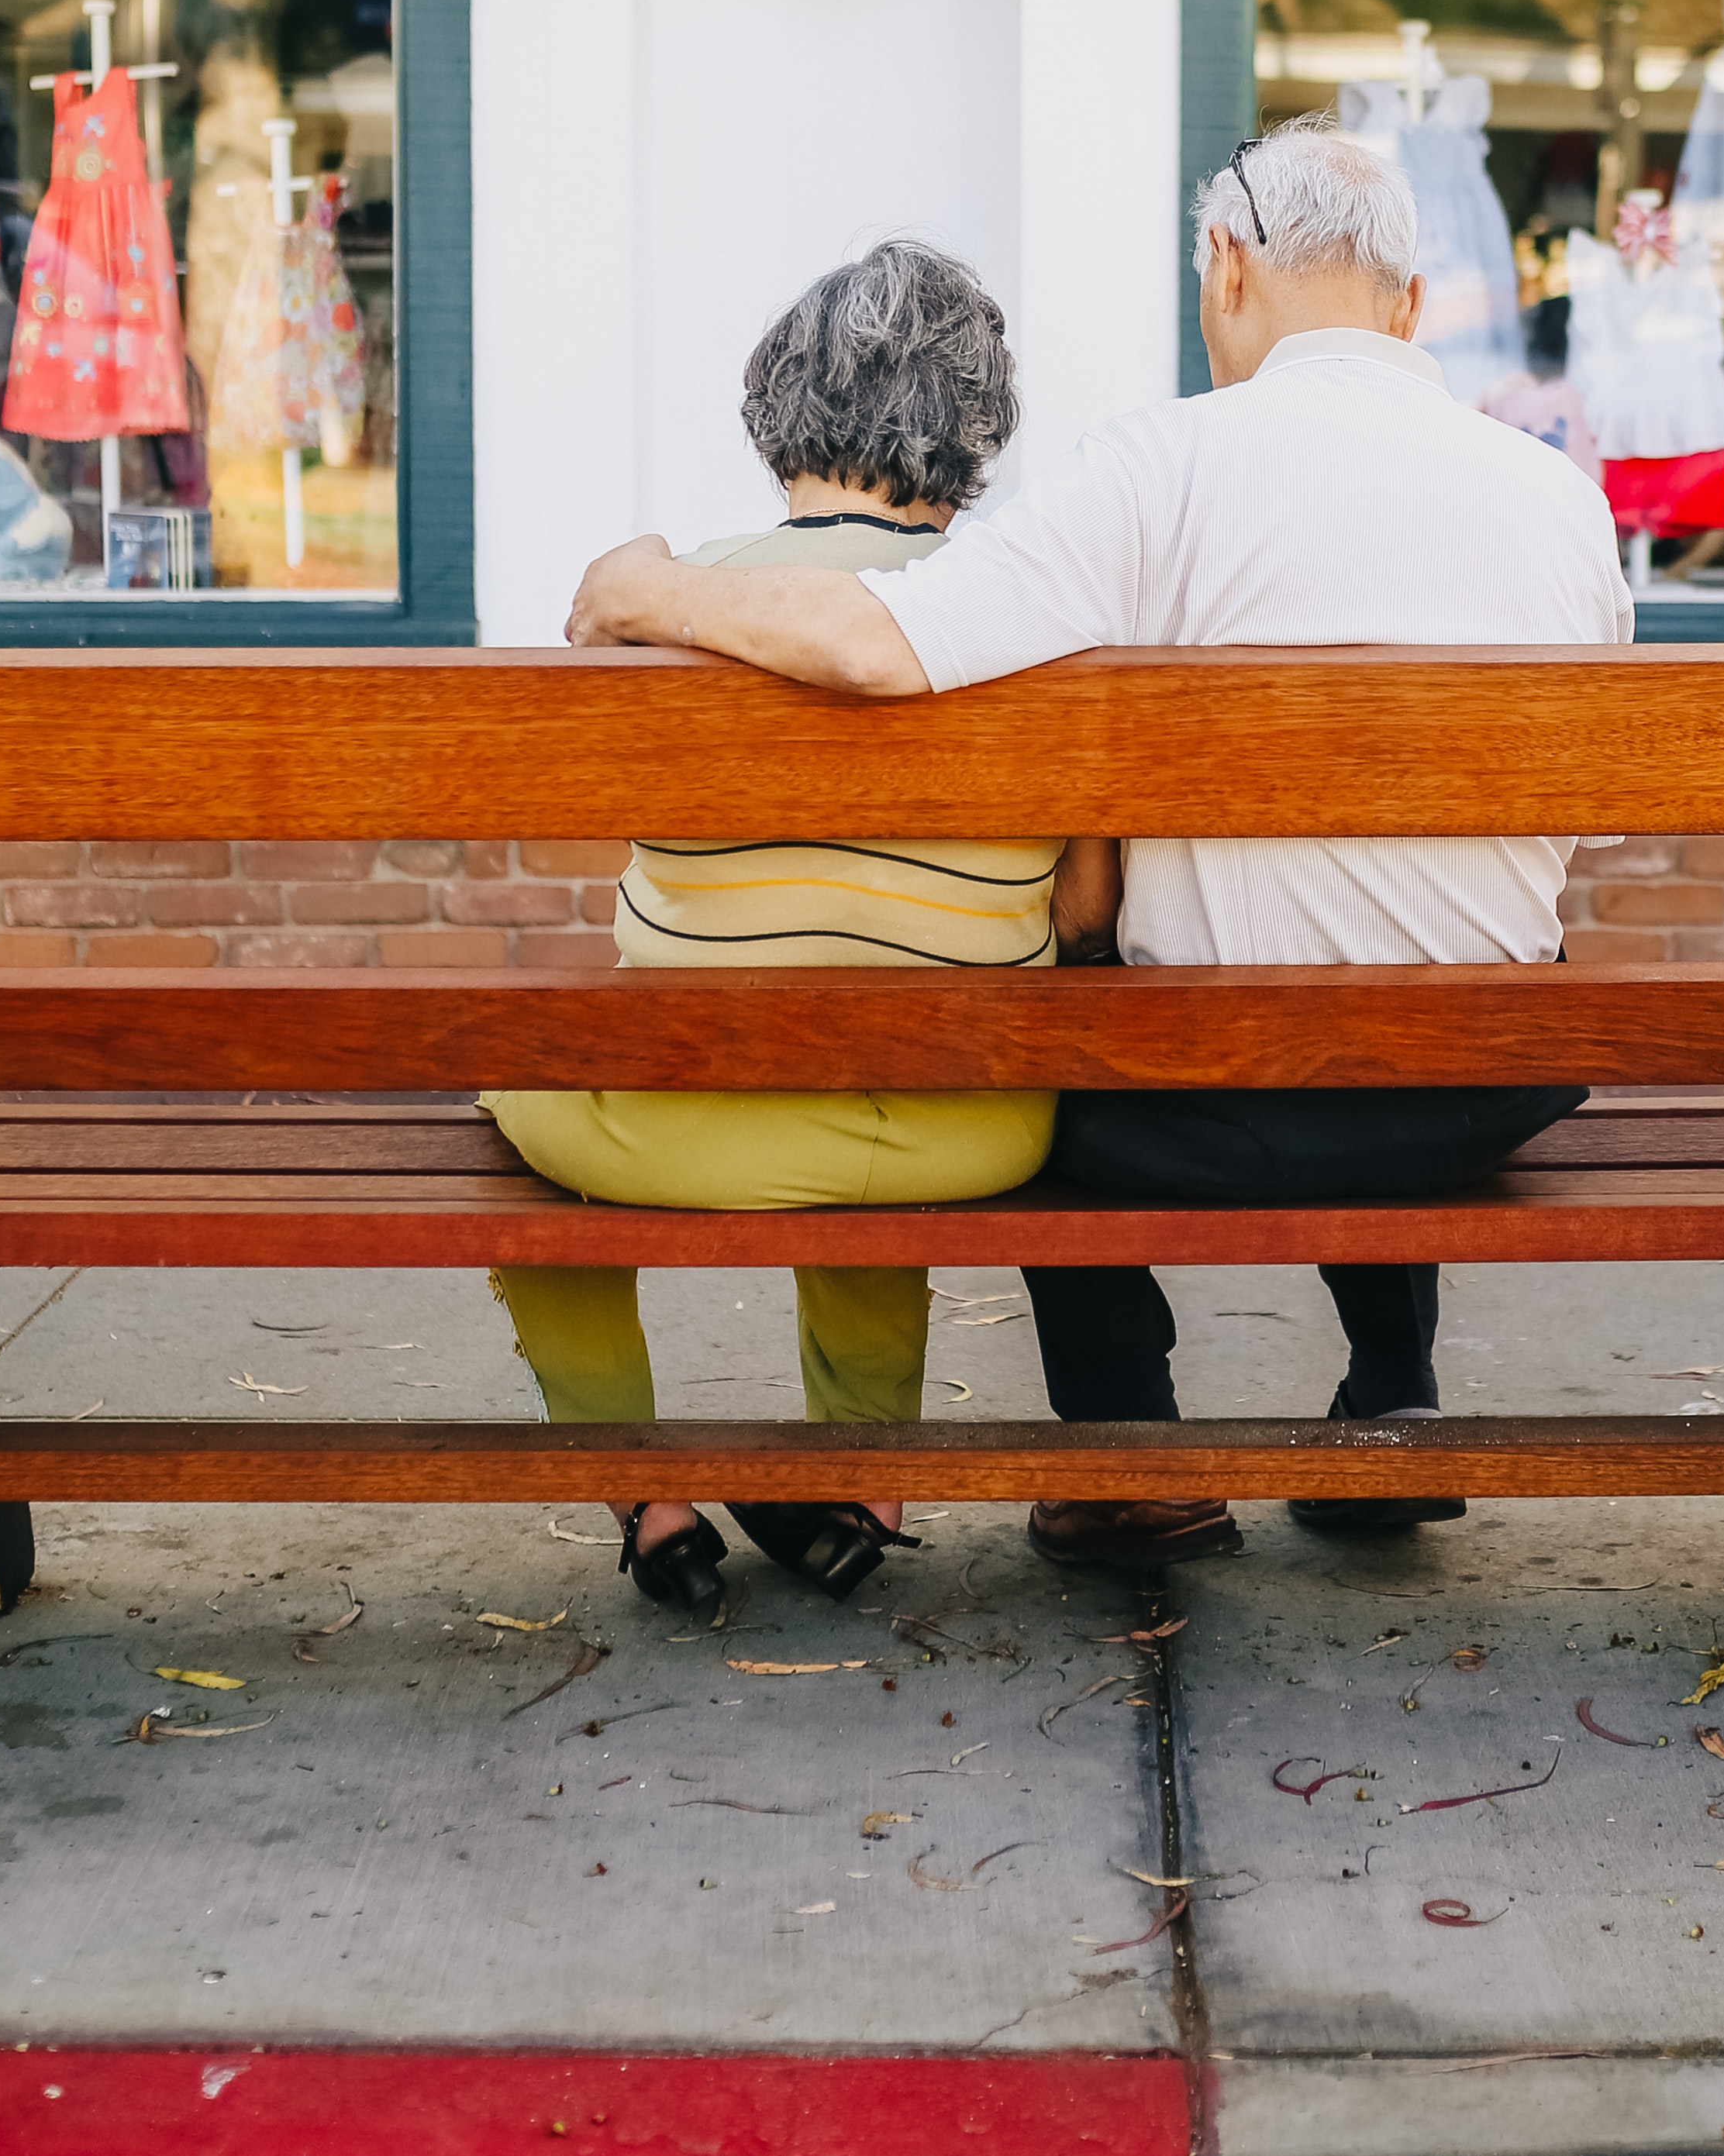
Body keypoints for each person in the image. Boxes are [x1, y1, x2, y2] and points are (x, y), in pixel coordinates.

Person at [566, 119, 1632, 1572]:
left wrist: (652, 590)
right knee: (1401, 959)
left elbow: (884, 645)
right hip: (1487, 1084)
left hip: (1223, 1096)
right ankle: (1391, 1398)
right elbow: (1588, 826)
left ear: (1224, 265)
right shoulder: (1562, 499)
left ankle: (1128, 1458)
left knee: (1053, 1049)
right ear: (1409, 307)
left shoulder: (1157, 468)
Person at [490, 237, 1063, 1624]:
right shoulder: (1033, 613)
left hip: (682, 1121)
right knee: (879, 1034)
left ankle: (644, 1489)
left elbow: (638, 903)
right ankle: (860, 1475)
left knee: (511, 1082)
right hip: (969, 1129)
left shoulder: (670, 603)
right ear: (977, 427)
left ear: (778, 406)